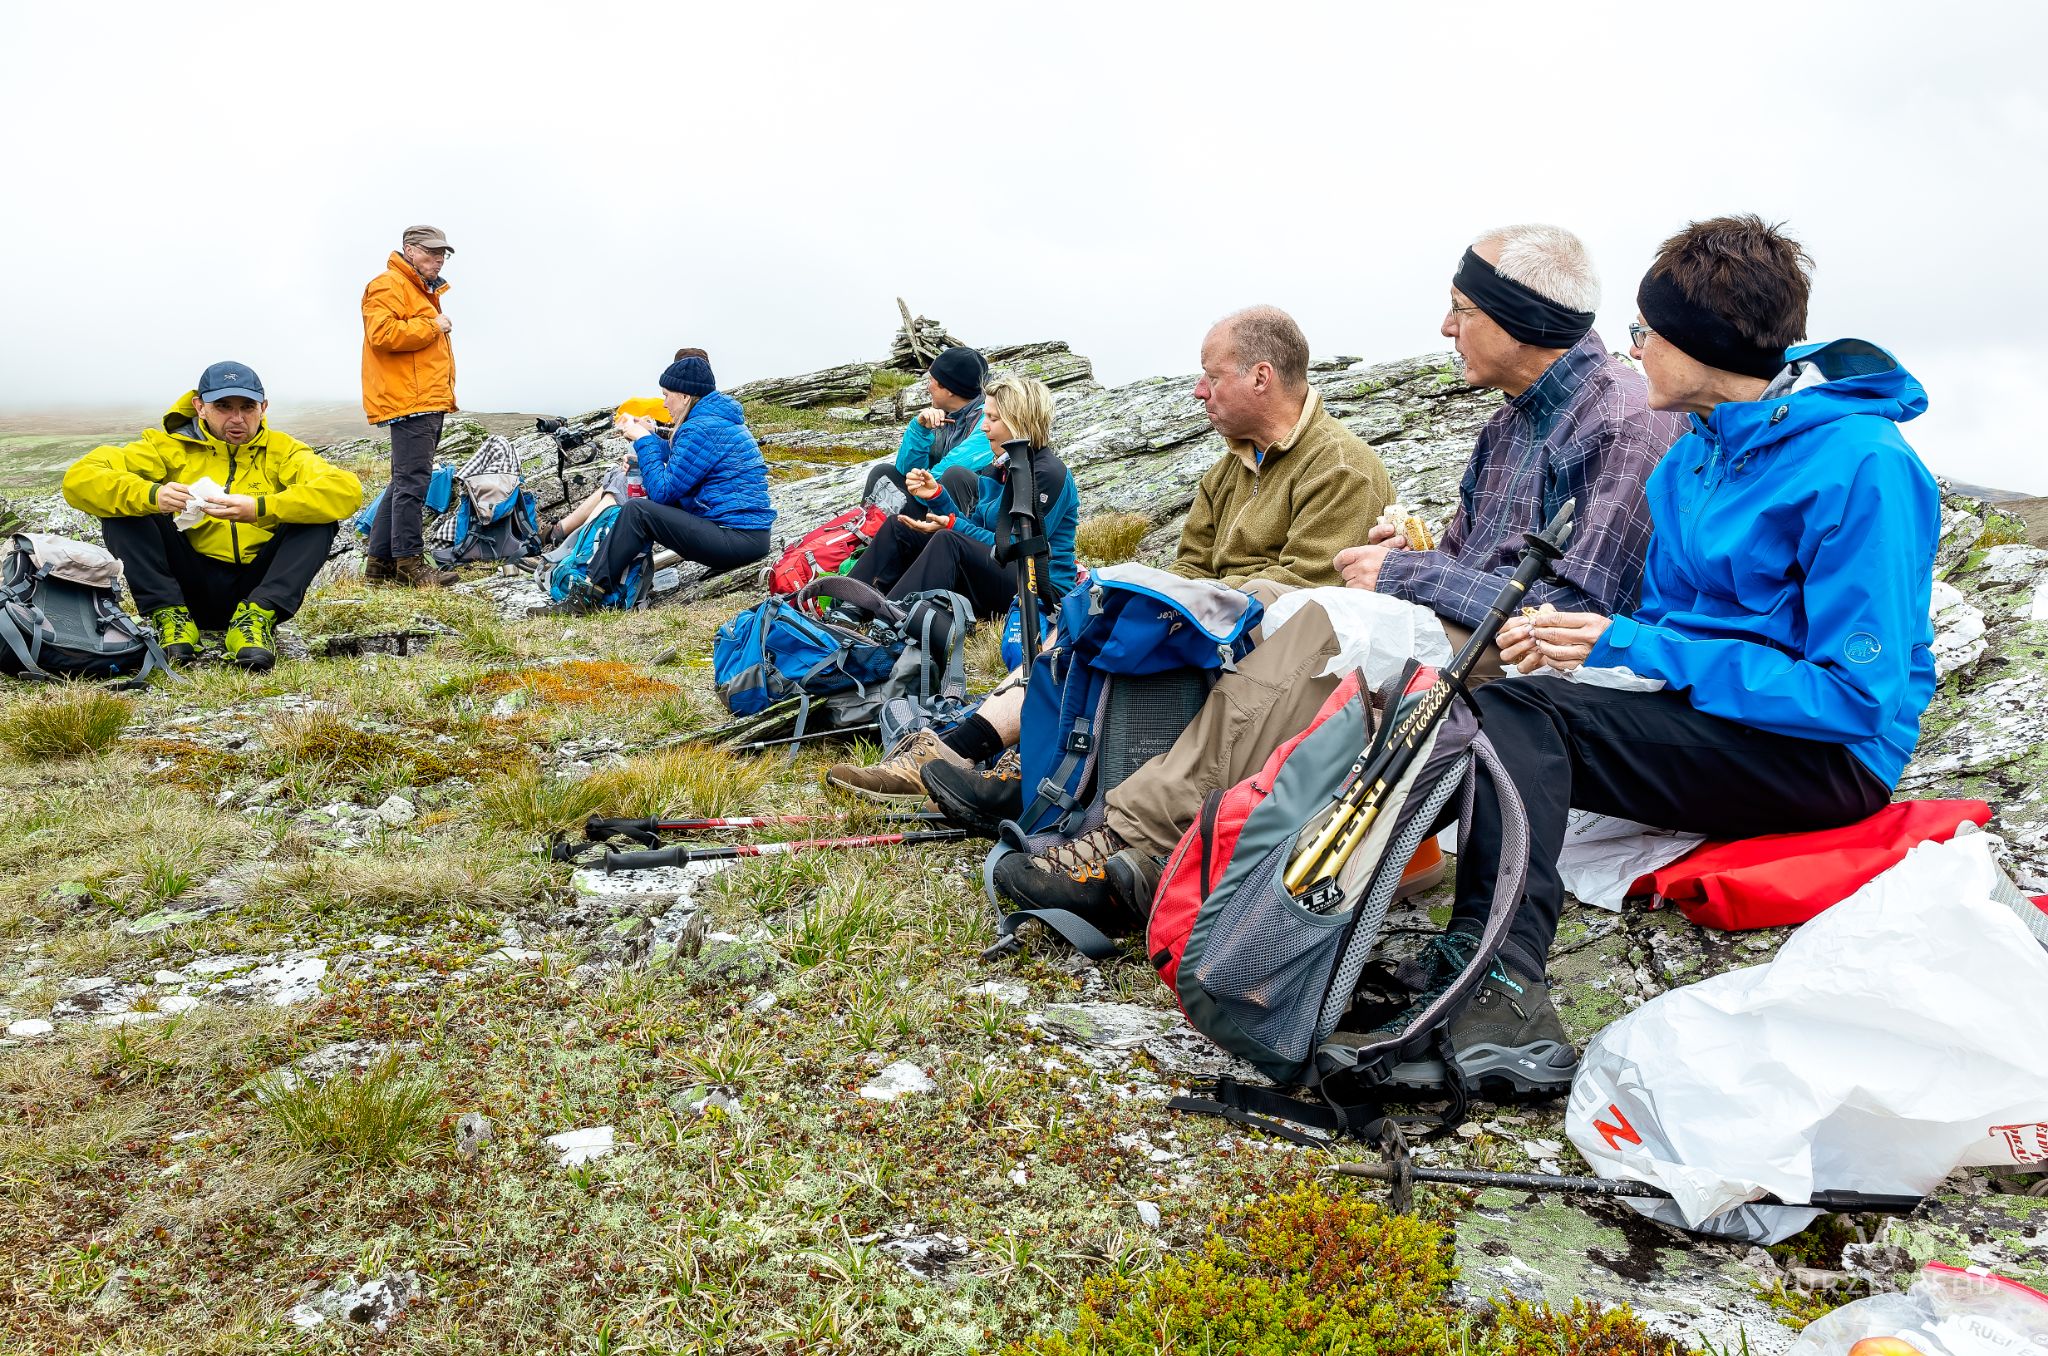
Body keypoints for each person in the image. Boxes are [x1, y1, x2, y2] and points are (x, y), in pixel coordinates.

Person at [1373, 214, 1940, 1100]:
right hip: (1718, 719)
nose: (1630, 350)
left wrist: (1629, 642)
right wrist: (1574, 647)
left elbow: (1853, 699)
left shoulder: (1862, 466)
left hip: (1826, 756)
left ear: (1698, 345)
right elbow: (1674, 631)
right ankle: (1457, 949)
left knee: (1524, 717)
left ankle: (1504, 983)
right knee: (1489, 696)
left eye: (1643, 332)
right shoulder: (1692, 463)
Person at [988, 224, 1688, 931]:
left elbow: (1571, 613)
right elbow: (1456, 564)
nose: (1446, 326)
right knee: (1246, 611)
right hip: (1476, 635)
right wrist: (1408, 560)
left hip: (1540, 669)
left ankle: (1134, 853)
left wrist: (1407, 572)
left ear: (1525, 318)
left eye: (1463, 310)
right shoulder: (1504, 431)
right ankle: (1096, 798)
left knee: (1319, 630)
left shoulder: (1620, 423)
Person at [826, 306, 1391, 800]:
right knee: (1097, 612)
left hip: (1265, 650)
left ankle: (974, 753)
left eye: (1211, 377)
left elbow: (1305, 592)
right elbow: (1190, 565)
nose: (1199, 391)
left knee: (1111, 615)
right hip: (1215, 621)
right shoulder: (1230, 468)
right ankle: (999, 757)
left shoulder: (1340, 467)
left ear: (1261, 377)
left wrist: (1172, 605)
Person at [829, 374, 1079, 800]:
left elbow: (1013, 548)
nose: (984, 426)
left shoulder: (1046, 473)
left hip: (1036, 588)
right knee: (903, 528)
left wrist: (948, 523)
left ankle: (887, 625)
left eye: (994, 419)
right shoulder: (1003, 468)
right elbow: (981, 525)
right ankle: (849, 605)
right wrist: (938, 497)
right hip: (1003, 572)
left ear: (1019, 422)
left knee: (946, 539)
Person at [62, 362, 364, 671]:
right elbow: (80, 478)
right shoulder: (168, 447)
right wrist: (154, 496)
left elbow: (346, 490)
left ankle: (256, 620)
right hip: (187, 586)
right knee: (123, 510)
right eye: (223, 406)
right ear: (200, 407)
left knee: (319, 518)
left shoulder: (283, 451)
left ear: (263, 407)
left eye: (248, 407)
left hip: (257, 586)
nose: (237, 418)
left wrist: (260, 508)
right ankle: (170, 618)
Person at [562, 354, 774, 606]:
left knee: (638, 511)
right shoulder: (712, 421)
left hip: (737, 539)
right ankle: (615, 584)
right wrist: (650, 439)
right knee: (642, 505)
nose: (664, 404)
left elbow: (663, 491)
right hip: (744, 535)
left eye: (666, 395)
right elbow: (684, 455)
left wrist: (642, 439)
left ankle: (589, 597)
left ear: (685, 396)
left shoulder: (701, 428)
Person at [360, 224, 460, 588]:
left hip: (423, 398)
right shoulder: (388, 284)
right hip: (411, 400)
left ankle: (380, 565)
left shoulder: (420, 290)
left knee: (403, 481)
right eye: (431, 252)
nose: (438, 259)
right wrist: (432, 325)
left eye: (442, 254)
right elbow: (382, 334)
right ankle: (410, 564)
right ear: (409, 250)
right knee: (412, 484)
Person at [545, 348, 709, 547]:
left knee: (626, 480)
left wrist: (644, 439)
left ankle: (573, 549)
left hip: (696, 509)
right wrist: (654, 429)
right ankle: (562, 535)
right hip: (691, 497)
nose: (665, 403)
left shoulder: (701, 423)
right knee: (620, 473)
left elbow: (667, 486)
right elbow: (679, 448)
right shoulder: (701, 414)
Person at [860, 346, 993, 517]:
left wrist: (918, 485)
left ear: (950, 389)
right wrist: (919, 430)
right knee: (882, 473)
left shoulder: (988, 420)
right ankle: (863, 533)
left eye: (931, 380)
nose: (927, 387)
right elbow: (905, 471)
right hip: (933, 501)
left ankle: (932, 540)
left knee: (954, 475)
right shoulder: (942, 416)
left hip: (969, 514)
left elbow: (944, 475)